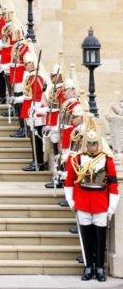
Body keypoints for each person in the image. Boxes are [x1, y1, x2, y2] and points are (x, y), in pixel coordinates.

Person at [64, 116, 119, 282]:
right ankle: (88, 266)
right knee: (86, 238)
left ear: (99, 144)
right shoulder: (76, 160)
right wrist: (71, 201)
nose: (92, 147)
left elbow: (113, 185)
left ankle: (100, 267)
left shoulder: (107, 160)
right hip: (83, 202)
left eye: (94, 144)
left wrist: (111, 207)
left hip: (101, 204)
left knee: (100, 238)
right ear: (85, 143)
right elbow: (69, 182)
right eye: (89, 143)